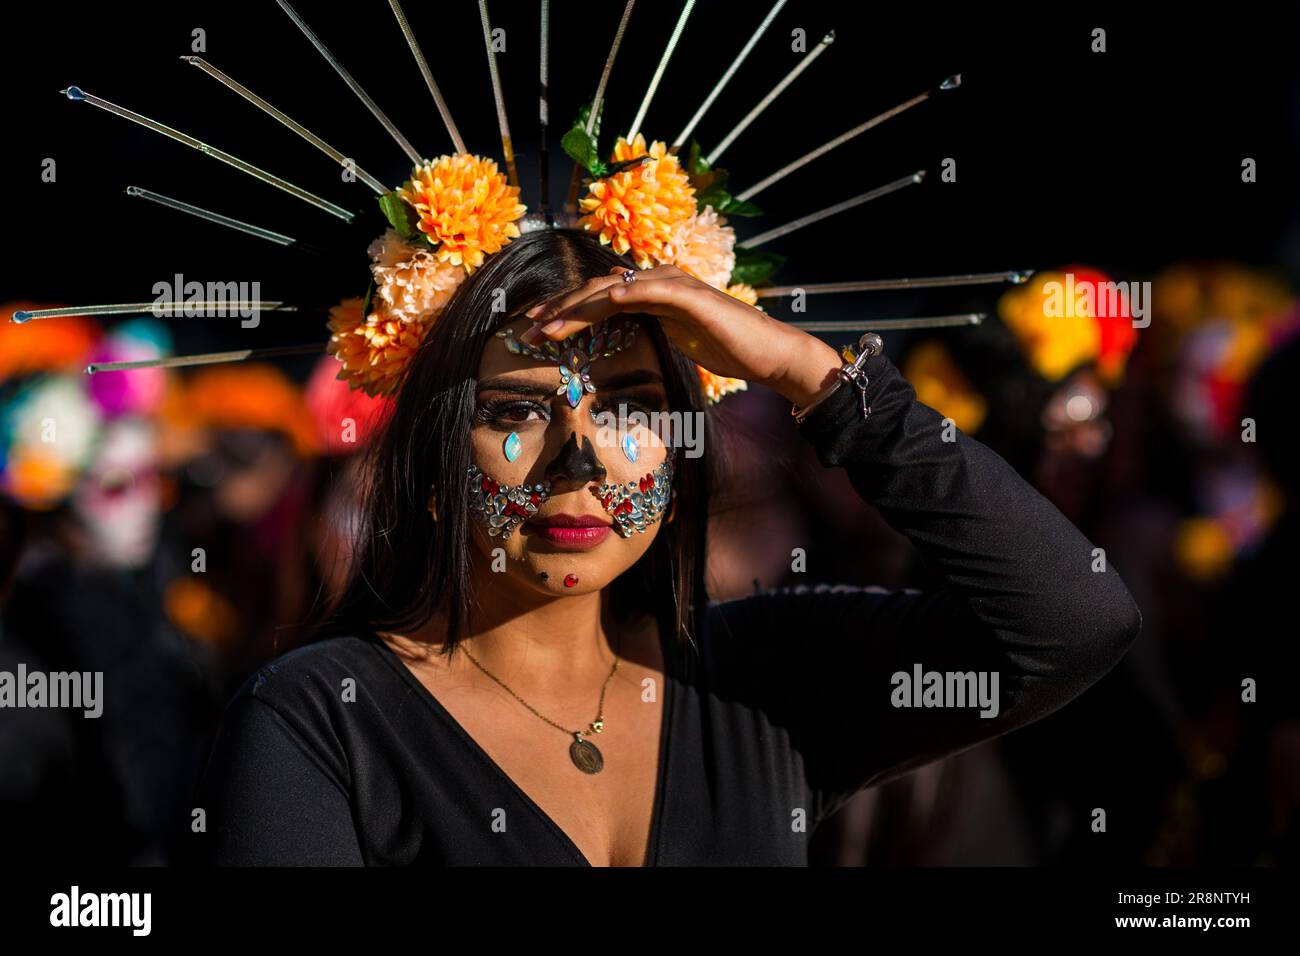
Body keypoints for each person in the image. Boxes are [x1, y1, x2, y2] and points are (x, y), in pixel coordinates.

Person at [185, 229, 1142, 866]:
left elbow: (1074, 621)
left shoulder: (764, 679)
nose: (581, 457)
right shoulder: (321, 721)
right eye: (516, 412)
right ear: (436, 464)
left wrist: (813, 378)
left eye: (632, 410)